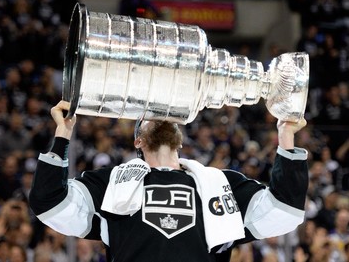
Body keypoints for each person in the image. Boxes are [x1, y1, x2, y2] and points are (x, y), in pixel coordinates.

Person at [29, 100, 309, 262]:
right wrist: (63, 134)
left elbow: (284, 211)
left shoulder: (221, 183)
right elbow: (50, 203)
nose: (160, 116)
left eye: (166, 115)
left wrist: (286, 136)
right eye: (150, 116)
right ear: (137, 140)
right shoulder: (109, 183)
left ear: (181, 137)